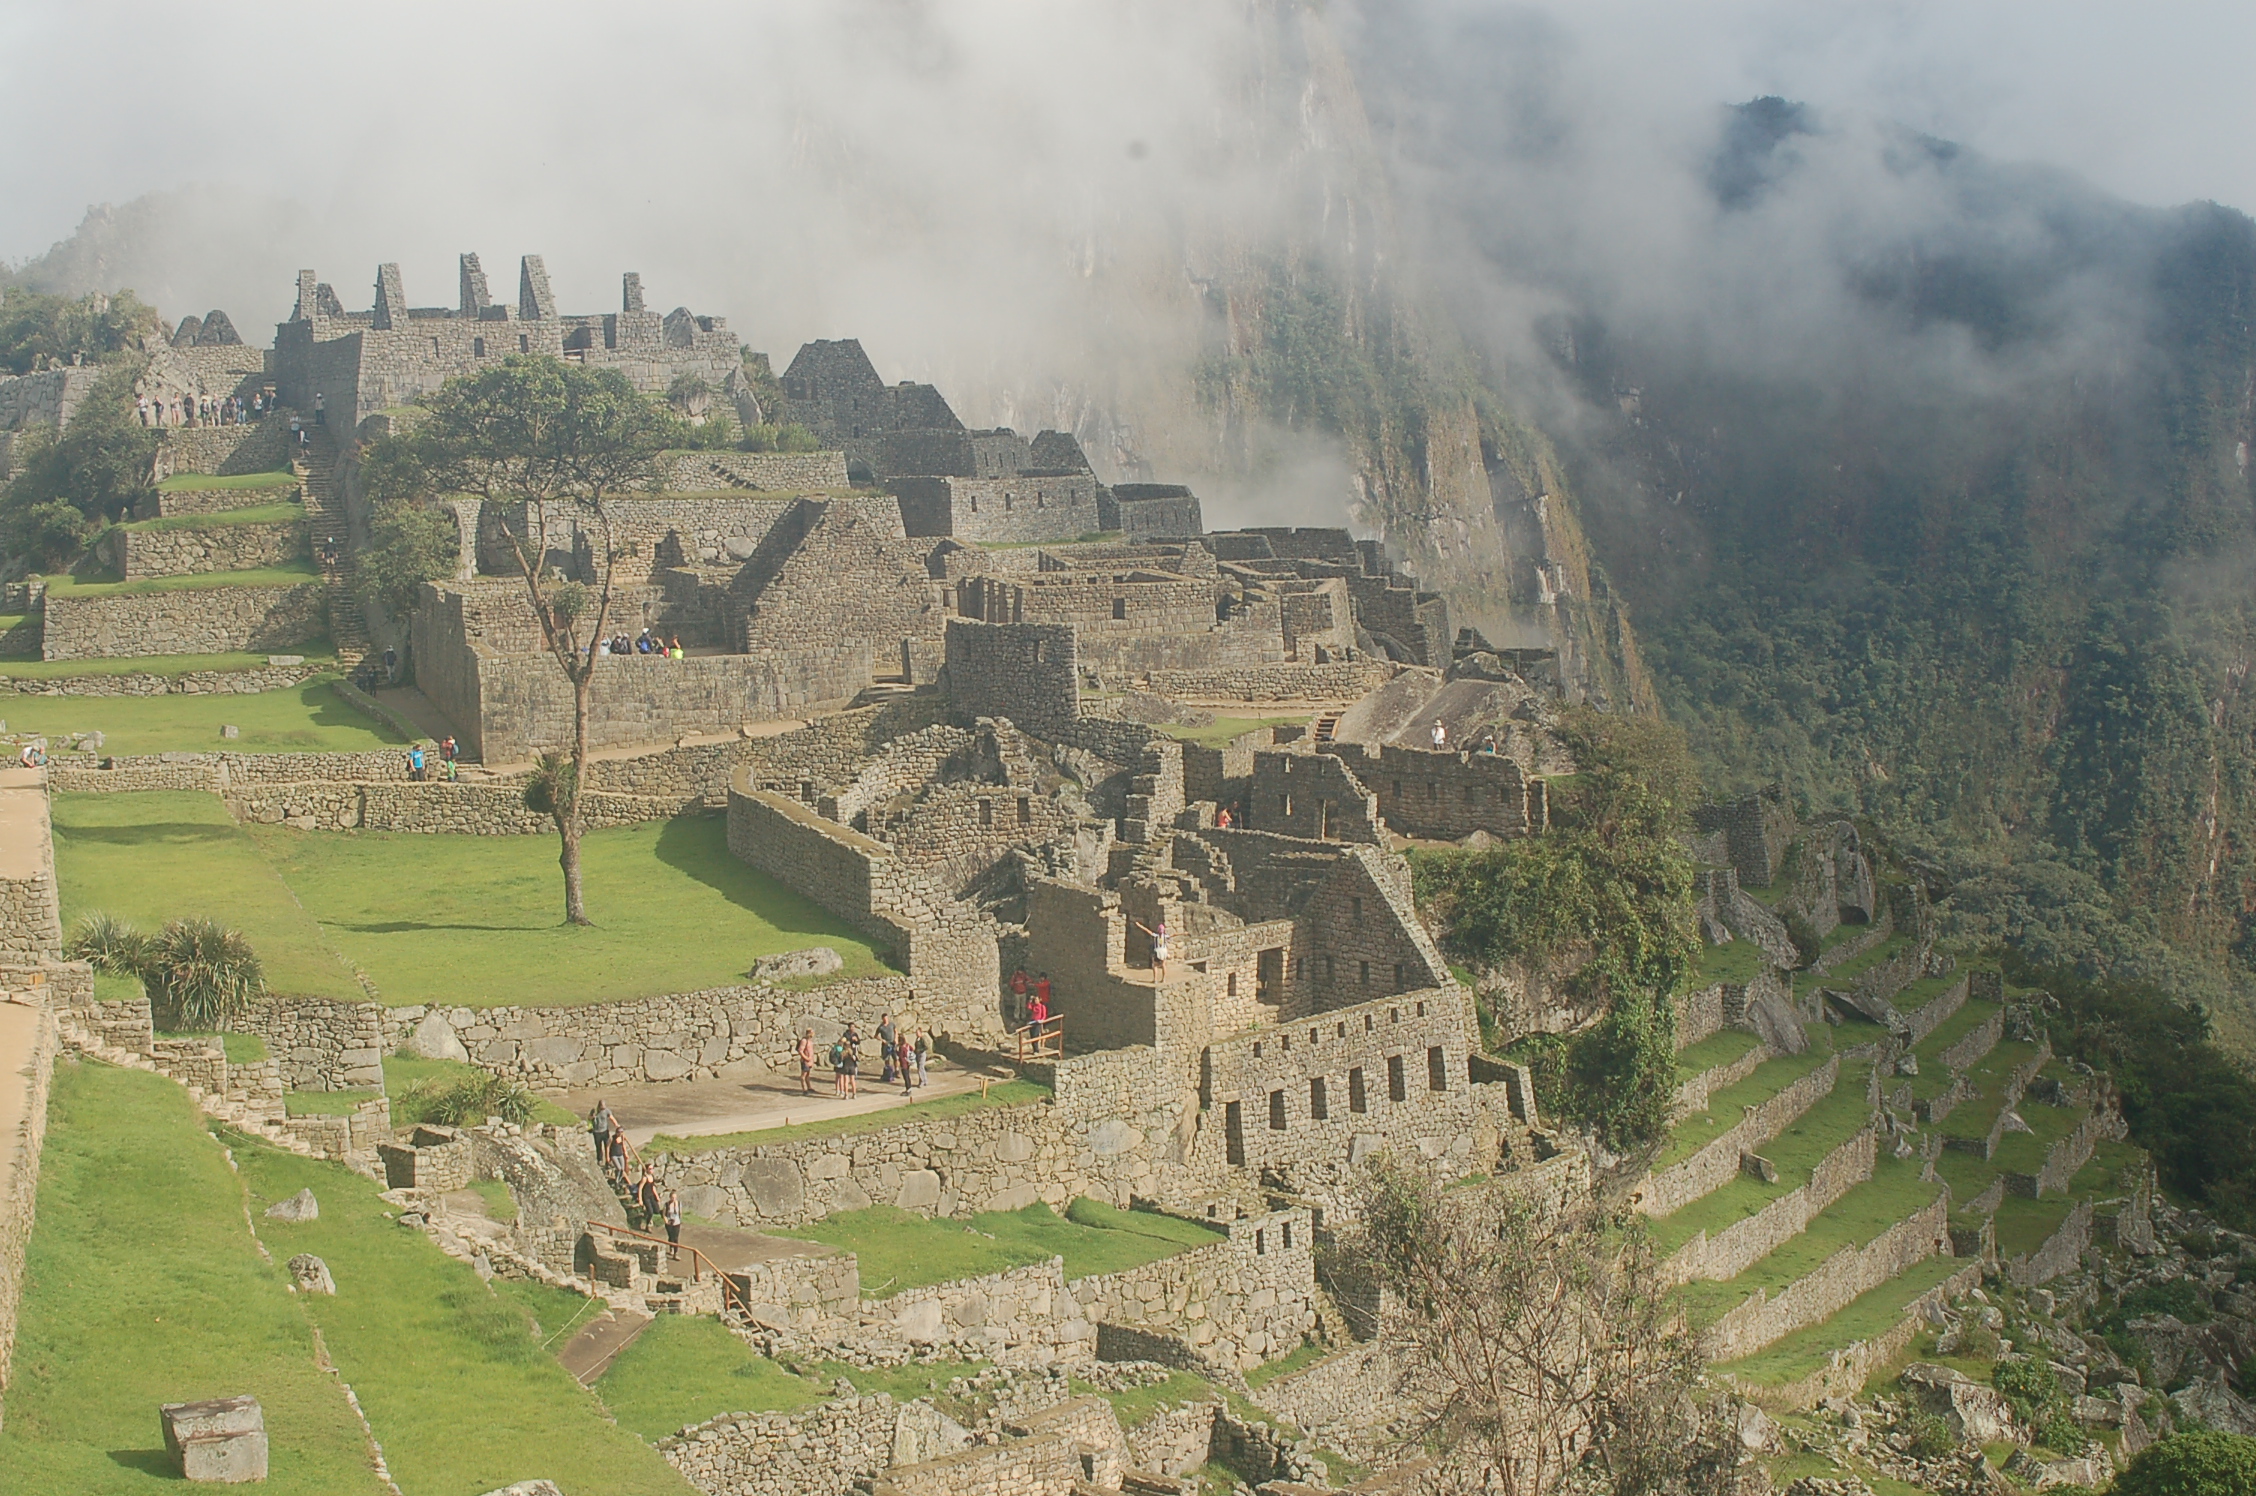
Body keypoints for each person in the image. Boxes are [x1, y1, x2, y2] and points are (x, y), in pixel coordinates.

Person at [841, 1023, 861, 1097]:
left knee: (851, 1079)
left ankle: (852, 1094)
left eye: (854, 1027)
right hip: (850, 1058)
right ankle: (848, 1094)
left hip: (852, 1055)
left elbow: (858, 1042)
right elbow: (843, 1041)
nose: (853, 1028)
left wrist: (856, 1040)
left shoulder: (855, 1034)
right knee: (848, 1079)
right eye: (851, 1027)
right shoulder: (846, 1034)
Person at [876, 1014, 897, 1084]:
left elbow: (896, 1031)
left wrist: (896, 1039)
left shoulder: (892, 1024)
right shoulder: (881, 1027)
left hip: (893, 1043)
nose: (886, 1020)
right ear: (882, 1019)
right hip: (886, 1044)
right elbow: (876, 1036)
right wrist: (882, 1040)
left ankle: (896, 1071)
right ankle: (888, 1072)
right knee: (886, 1058)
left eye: (887, 1018)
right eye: (884, 1019)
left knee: (896, 1058)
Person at [663, 1188, 683, 1258]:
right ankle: (671, 1247)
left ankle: (675, 1253)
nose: (673, 1199)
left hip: (676, 1222)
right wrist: (666, 1221)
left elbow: (680, 1213)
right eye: (672, 1197)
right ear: (670, 1197)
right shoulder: (667, 1205)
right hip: (669, 1222)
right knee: (671, 1237)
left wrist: (679, 1220)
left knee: (676, 1238)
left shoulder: (679, 1204)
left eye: (675, 1197)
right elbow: (664, 1214)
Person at [797, 1027, 817, 1095]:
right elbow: (800, 1050)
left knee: (808, 1074)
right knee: (803, 1075)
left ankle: (809, 1087)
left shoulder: (810, 1041)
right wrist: (806, 1058)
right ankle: (804, 1089)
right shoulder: (804, 1041)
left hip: (809, 1061)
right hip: (805, 1061)